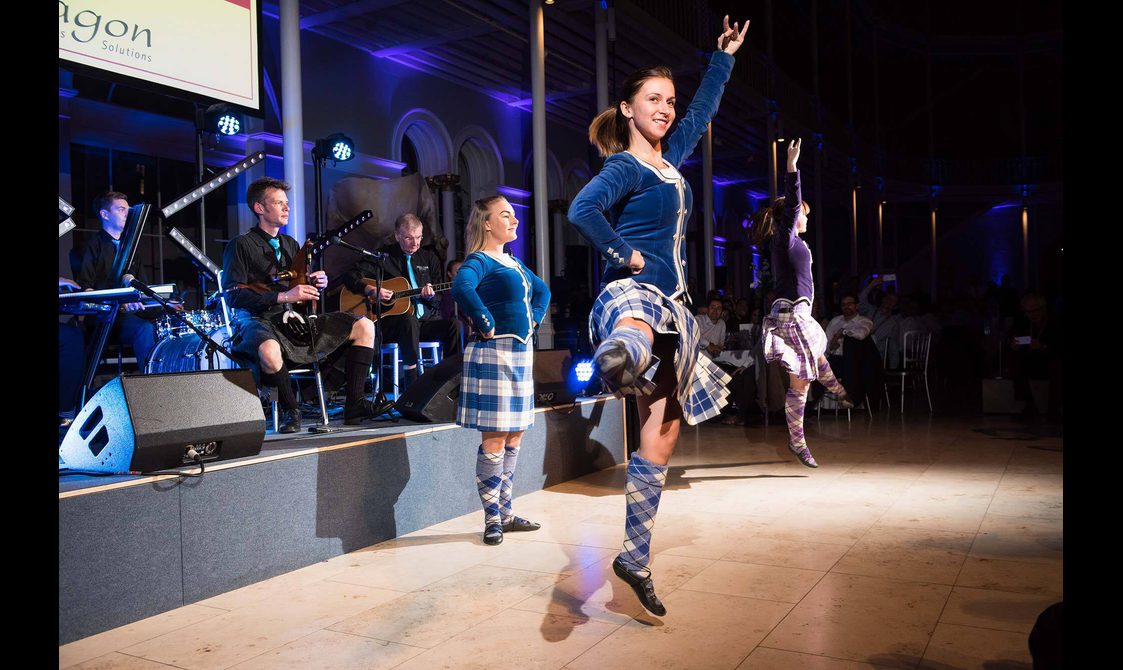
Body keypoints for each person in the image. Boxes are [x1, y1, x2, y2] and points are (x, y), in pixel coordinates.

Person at [568, 15, 750, 617]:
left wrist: (721, 57)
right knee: (636, 327)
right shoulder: (625, 165)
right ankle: (618, 357)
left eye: (669, 101)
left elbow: (701, 114)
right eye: (654, 100)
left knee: (664, 434)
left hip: (678, 308)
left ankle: (635, 558)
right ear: (627, 108)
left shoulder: (671, 160)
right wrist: (625, 252)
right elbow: (581, 210)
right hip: (636, 290)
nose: (667, 109)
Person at [222, 177, 383, 433]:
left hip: (292, 320)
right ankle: (291, 409)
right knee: (269, 351)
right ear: (259, 208)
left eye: (287, 203)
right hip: (256, 320)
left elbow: (298, 287)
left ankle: (355, 404)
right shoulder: (240, 245)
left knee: (364, 326)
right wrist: (284, 297)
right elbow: (233, 296)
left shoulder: (290, 245)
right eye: (278, 203)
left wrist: (315, 281)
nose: (286, 208)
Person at [451, 196, 551, 546]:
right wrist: (484, 321)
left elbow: (543, 291)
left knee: (515, 437)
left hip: (520, 355)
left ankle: (506, 512)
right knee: (494, 439)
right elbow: (461, 287)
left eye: (514, 215)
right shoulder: (480, 259)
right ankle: (492, 518)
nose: (514, 221)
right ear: (487, 224)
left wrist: (536, 318)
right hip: (494, 353)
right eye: (505, 215)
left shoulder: (513, 262)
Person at [750, 138, 854, 469]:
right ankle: (832, 394)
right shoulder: (785, 239)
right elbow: (793, 204)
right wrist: (792, 166)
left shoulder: (794, 244)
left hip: (798, 314)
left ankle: (830, 398)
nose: (806, 217)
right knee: (808, 369)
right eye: (803, 214)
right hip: (790, 314)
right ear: (792, 219)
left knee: (806, 371)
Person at [342, 213, 459, 393]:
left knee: (454, 325)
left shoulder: (429, 258)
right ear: (397, 236)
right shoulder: (383, 257)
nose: (415, 243)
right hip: (393, 326)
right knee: (407, 319)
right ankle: (412, 386)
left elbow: (438, 298)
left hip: (425, 322)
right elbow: (350, 276)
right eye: (409, 238)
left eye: (419, 237)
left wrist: (431, 297)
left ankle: (453, 382)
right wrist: (371, 290)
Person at [74, 191, 157, 370]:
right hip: (103, 318)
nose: (128, 214)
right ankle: (153, 383)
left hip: (131, 314)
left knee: (170, 321)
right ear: (105, 214)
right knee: (144, 329)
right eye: (121, 210)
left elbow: (141, 287)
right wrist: (119, 304)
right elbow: (84, 288)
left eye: (128, 210)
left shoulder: (131, 247)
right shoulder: (91, 245)